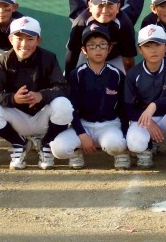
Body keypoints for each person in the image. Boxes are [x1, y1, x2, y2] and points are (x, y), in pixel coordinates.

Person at [0, 16, 73, 170]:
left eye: (30, 39)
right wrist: (13, 98)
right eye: (19, 38)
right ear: (10, 39)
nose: (24, 44)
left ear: (38, 40)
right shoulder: (4, 60)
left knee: (64, 104)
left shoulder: (48, 58)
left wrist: (42, 95)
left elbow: (62, 87)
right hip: (16, 120)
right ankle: (18, 143)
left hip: (42, 118)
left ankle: (45, 143)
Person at [50, 25, 129, 170]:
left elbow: (123, 108)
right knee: (59, 149)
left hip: (109, 125)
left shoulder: (117, 74)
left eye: (102, 45)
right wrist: (81, 134)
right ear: (84, 50)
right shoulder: (76, 75)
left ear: (109, 48)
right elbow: (72, 109)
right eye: (92, 46)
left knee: (115, 145)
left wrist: (124, 134)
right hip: (84, 124)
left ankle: (120, 152)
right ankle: (76, 150)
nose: (98, 49)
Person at [124, 25, 166, 177]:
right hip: (144, 121)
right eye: (147, 46)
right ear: (140, 49)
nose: (153, 50)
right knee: (135, 144)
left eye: (158, 45)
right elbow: (128, 108)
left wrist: (154, 105)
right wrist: (148, 122)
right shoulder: (133, 74)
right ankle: (148, 146)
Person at [65, 0, 136, 75]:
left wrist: (131, 79)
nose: (104, 11)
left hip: (114, 57)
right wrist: (68, 78)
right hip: (87, 57)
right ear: (90, 6)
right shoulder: (81, 22)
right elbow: (72, 53)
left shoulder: (124, 23)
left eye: (110, 5)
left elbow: (128, 57)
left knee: (123, 79)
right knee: (75, 77)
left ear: (118, 7)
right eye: (100, 5)